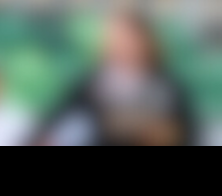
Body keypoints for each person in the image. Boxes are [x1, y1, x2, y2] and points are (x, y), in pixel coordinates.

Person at [32, 12, 195, 146]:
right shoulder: (89, 83)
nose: (122, 46)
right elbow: (54, 120)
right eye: (117, 39)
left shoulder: (167, 87)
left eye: (129, 40)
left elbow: (185, 132)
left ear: (146, 43)